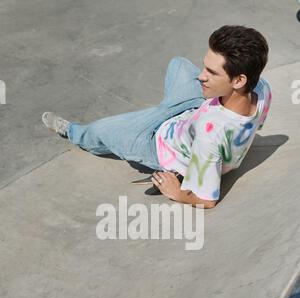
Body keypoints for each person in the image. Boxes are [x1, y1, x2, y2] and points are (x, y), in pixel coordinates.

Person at [42, 25, 271, 209]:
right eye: (204, 67)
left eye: (211, 72)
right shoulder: (261, 88)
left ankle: (73, 132)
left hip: (155, 143)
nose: (201, 76)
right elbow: (251, 123)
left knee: (100, 131)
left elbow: (207, 200)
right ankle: (164, 109)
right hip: (195, 109)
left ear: (239, 80)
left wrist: (179, 193)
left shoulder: (210, 137)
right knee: (179, 64)